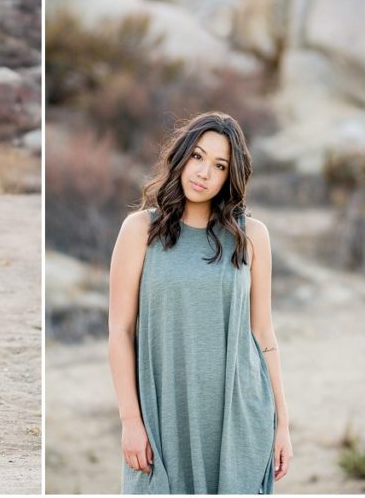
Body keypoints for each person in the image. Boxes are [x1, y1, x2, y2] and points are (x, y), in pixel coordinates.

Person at [108, 112, 293, 493]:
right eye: (197, 156)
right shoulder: (140, 230)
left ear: (230, 176)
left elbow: (263, 333)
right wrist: (130, 420)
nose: (204, 172)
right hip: (165, 414)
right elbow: (120, 330)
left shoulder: (252, 236)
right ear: (181, 157)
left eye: (219, 165)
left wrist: (283, 425)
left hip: (238, 415)